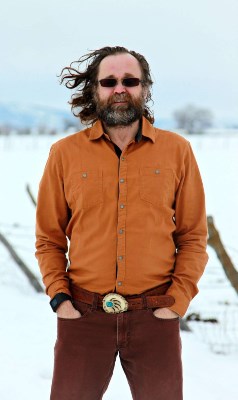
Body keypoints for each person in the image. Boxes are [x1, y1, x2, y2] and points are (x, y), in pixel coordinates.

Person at [35, 46, 208, 400]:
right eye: (109, 81)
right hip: (82, 317)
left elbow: (192, 236)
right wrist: (59, 298)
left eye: (130, 81)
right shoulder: (64, 154)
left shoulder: (178, 151)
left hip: (154, 317)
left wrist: (177, 300)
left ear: (145, 87)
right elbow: (49, 238)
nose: (119, 89)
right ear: (94, 89)